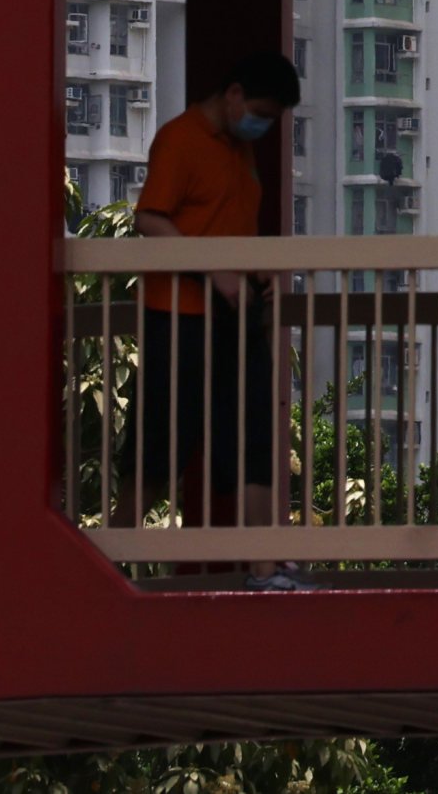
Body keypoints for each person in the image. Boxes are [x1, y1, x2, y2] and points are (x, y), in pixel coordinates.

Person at [134, 50, 303, 588]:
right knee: (159, 449)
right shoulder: (180, 139)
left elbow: (234, 224)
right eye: (260, 112)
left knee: (255, 439)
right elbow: (149, 218)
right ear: (232, 95)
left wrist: (256, 272)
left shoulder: (238, 150)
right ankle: (107, 559)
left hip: (236, 315)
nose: (263, 125)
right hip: (180, 318)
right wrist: (215, 272)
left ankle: (263, 564)